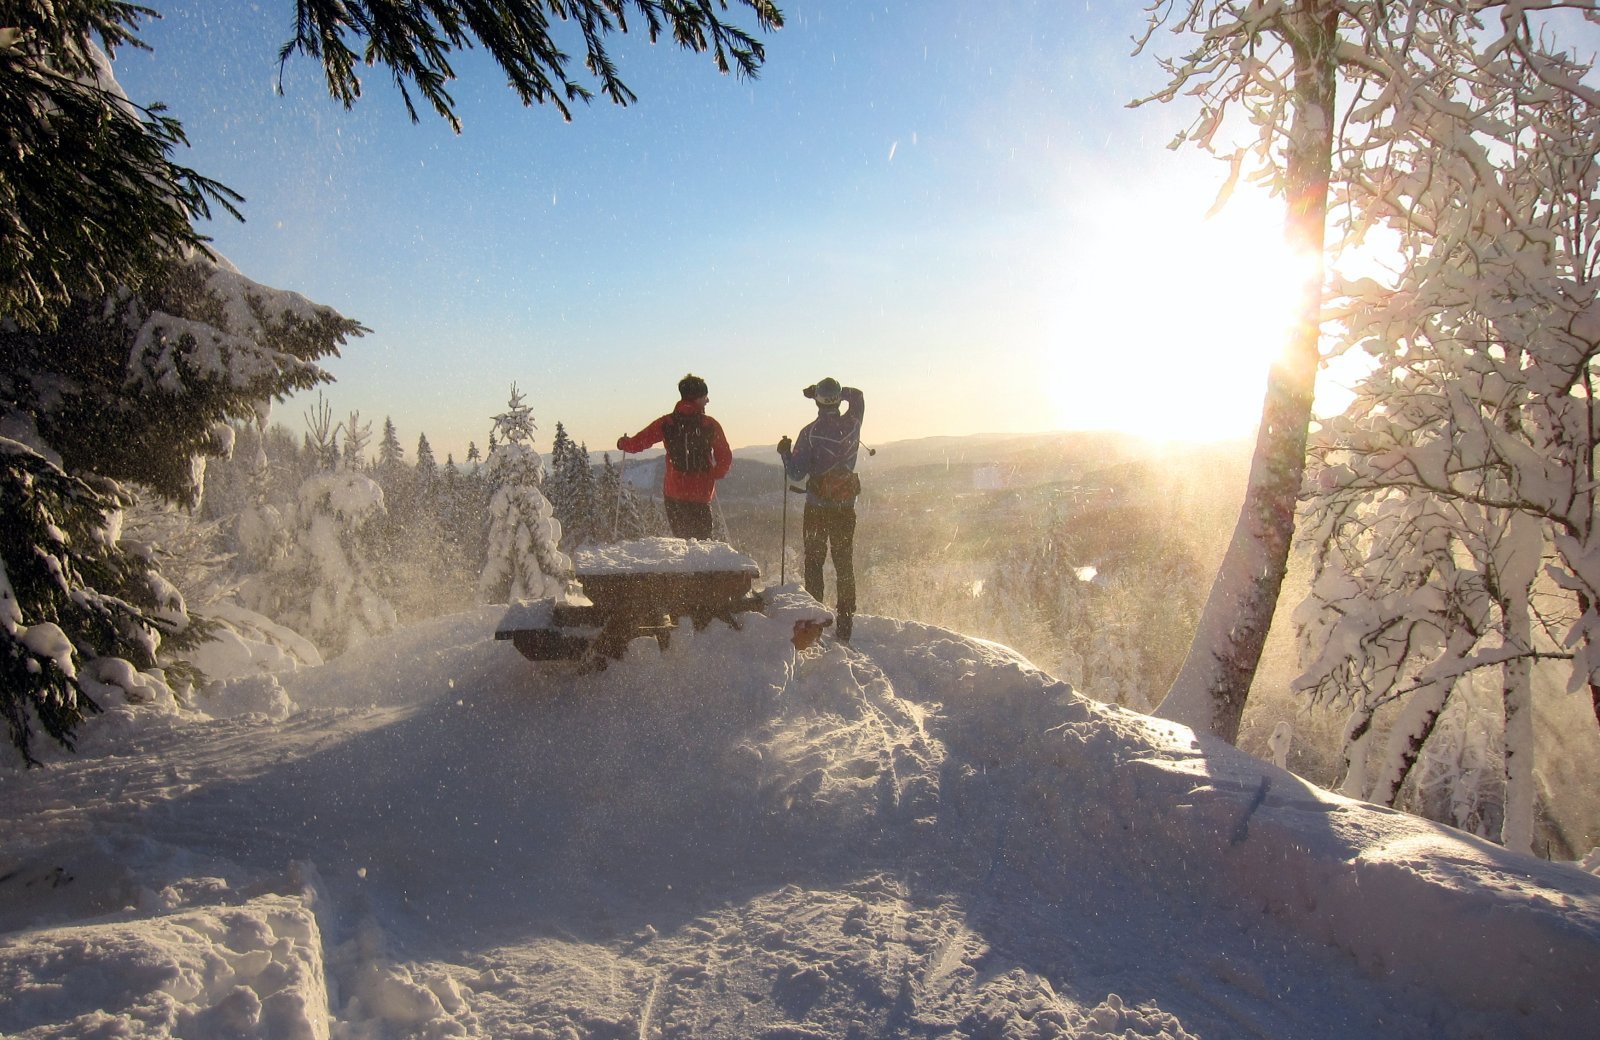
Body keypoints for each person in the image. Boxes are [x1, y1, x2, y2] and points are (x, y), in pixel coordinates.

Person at [778, 377, 864, 643]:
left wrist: (784, 452)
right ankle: (846, 622)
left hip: (817, 508)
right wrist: (825, 393)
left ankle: (814, 623)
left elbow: (796, 473)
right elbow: (858, 395)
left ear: (817, 402)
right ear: (839, 400)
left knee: (814, 563)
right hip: (845, 507)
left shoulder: (810, 432)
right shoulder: (853, 423)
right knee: (843, 563)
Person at [618, 373, 733, 540]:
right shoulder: (709, 425)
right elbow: (724, 456)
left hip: (674, 493)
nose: (707, 400)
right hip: (701, 493)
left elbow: (641, 441)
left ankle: (684, 564)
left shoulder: (667, 422)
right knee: (702, 544)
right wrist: (715, 473)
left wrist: (624, 443)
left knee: (683, 541)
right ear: (697, 398)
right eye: (704, 397)